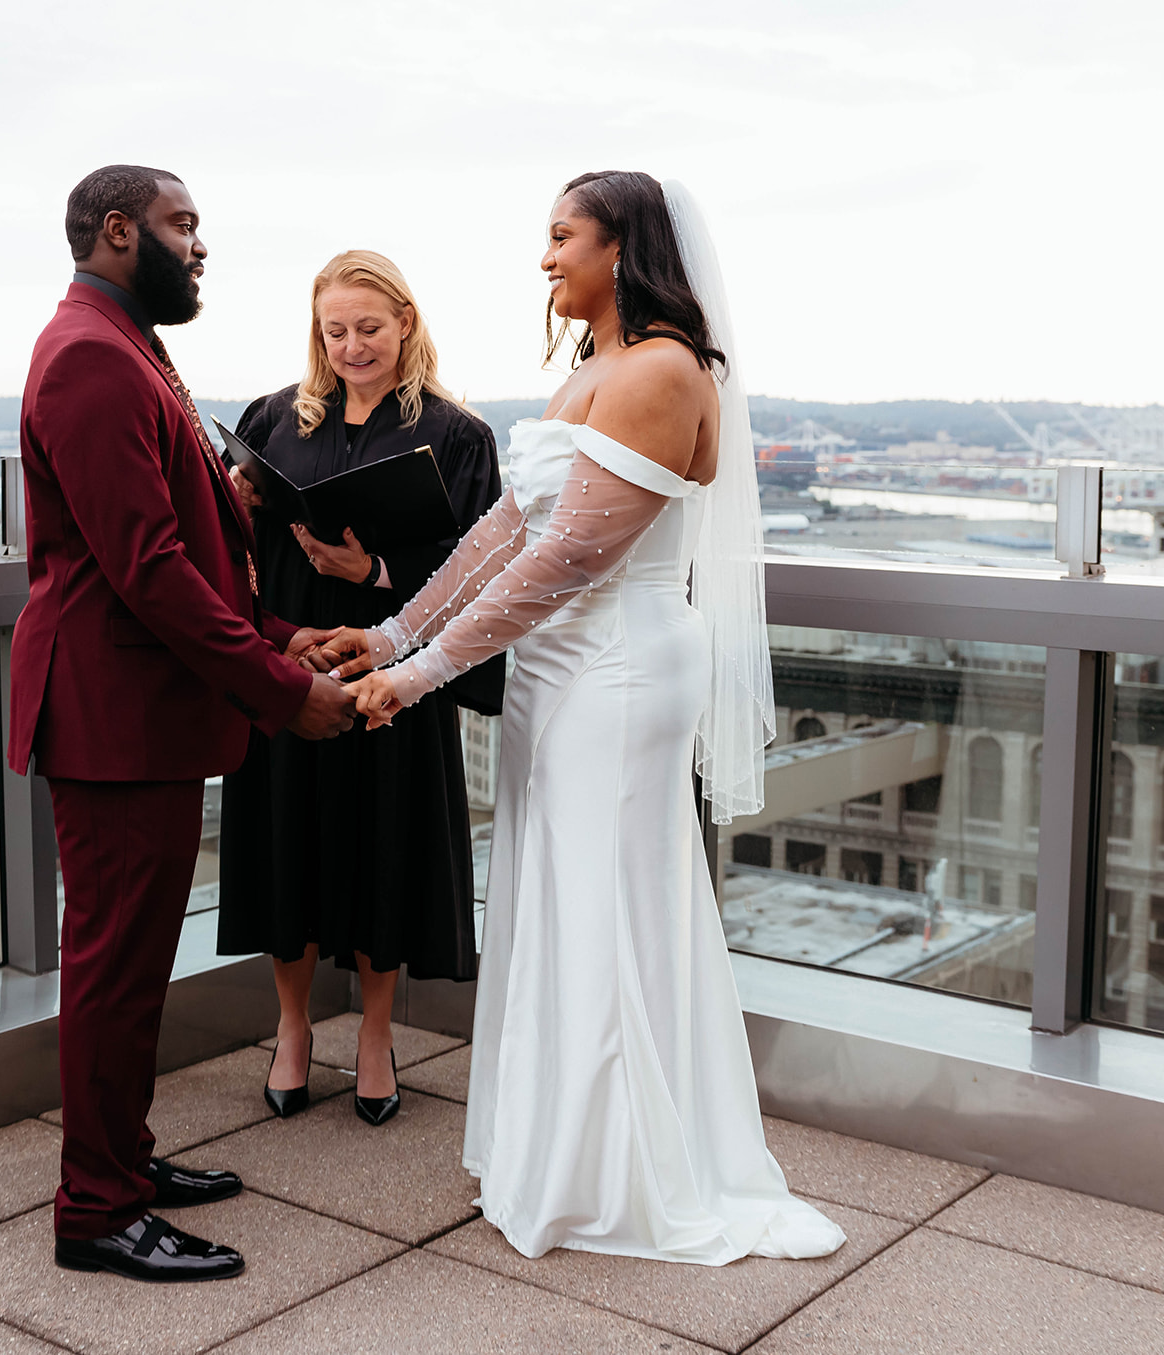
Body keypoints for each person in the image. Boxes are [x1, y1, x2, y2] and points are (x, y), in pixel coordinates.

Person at [327, 172, 847, 1264]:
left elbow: (568, 560)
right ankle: (559, 1148)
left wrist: (417, 678)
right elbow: (501, 534)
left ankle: (619, 1175)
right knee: (560, 900)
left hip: (616, 667)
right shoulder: (594, 369)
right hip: (557, 671)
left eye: (561, 236)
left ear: (622, 250)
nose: (545, 257)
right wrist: (386, 635)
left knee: (606, 908)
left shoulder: (662, 371)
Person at [8, 164, 357, 1283]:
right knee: (111, 970)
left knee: (131, 963)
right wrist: (274, 684)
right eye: (182, 225)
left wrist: (267, 632)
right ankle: (97, 1210)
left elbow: (175, 550)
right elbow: (144, 571)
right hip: (111, 717)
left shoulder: (128, 346)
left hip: (141, 711)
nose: (200, 246)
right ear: (119, 232)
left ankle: (125, 1162)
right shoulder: (89, 359)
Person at [216, 251, 504, 1126]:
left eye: (368, 328)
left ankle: (376, 1036)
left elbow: (483, 571)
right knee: (286, 844)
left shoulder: (457, 435)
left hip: (392, 679)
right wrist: (237, 501)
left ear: (406, 323)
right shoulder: (271, 417)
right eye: (334, 330)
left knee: (386, 850)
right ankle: (294, 1028)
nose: (350, 346)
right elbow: (230, 555)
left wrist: (375, 569)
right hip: (294, 663)